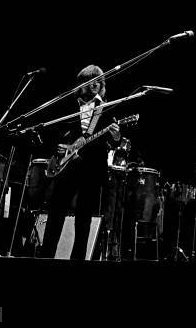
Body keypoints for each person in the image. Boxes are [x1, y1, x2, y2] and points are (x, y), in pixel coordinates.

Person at [41, 65, 120, 260]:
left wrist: (116, 136)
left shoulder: (107, 107)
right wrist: (58, 148)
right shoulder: (67, 105)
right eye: (87, 81)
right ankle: (45, 256)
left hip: (92, 168)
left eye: (95, 82)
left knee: (84, 219)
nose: (91, 85)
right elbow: (52, 131)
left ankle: (78, 260)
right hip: (66, 165)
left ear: (98, 85)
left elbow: (112, 140)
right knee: (56, 214)